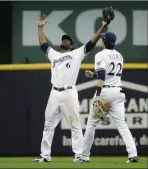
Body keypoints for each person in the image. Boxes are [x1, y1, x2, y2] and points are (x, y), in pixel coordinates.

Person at [33, 14, 109, 163]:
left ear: (72, 45)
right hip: (54, 93)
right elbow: (43, 44)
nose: (64, 40)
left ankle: (80, 155)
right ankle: (45, 155)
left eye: (67, 40)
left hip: (69, 92)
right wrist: (40, 27)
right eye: (63, 39)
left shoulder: (76, 54)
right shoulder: (54, 55)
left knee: (75, 124)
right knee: (48, 125)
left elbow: (91, 43)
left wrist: (102, 27)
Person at [77, 32, 139, 163]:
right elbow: (108, 74)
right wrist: (94, 74)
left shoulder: (100, 54)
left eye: (102, 39)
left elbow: (103, 75)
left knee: (91, 123)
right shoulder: (119, 55)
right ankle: (133, 154)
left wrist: (98, 95)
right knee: (122, 124)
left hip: (105, 92)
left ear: (103, 42)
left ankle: (83, 156)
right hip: (118, 92)